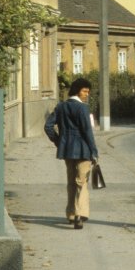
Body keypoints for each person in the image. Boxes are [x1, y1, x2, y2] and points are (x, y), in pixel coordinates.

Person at [44, 78, 99, 230]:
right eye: (84, 91)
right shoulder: (83, 108)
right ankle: (79, 215)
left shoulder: (61, 106)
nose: (87, 94)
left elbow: (48, 126)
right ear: (77, 90)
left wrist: (59, 141)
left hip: (67, 150)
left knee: (70, 182)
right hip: (83, 150)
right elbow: (87, 132)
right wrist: (94, 152)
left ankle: (70, 214)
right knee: (81, 182)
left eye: (88, 91)